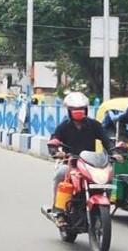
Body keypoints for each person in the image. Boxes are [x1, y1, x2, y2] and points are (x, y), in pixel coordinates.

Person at [48, 91, 123, 227]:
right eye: (75, 110)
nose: (79, 112)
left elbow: (106, 141)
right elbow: (54, 140)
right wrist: (55, 151)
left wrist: (114, 152)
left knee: (108, 174)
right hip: (72, 164)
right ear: (69, 111)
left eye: (81, 109)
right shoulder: (63, 127)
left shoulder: (94, 125)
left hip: (91, 164)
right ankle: (59, 212)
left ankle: (104, 204)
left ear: (86, 110)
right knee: (60, 174)